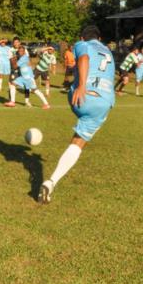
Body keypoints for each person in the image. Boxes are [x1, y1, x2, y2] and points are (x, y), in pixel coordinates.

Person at [39, 25, 114, 204]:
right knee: (79, 143)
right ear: (100, 38)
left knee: (78, 136)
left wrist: (81, 86)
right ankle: (51, 181)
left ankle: (50, 183)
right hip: (104, 103)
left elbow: (84, 58)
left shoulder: (82, 44)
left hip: (82, 97)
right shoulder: (108, 52)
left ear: (82, 37)